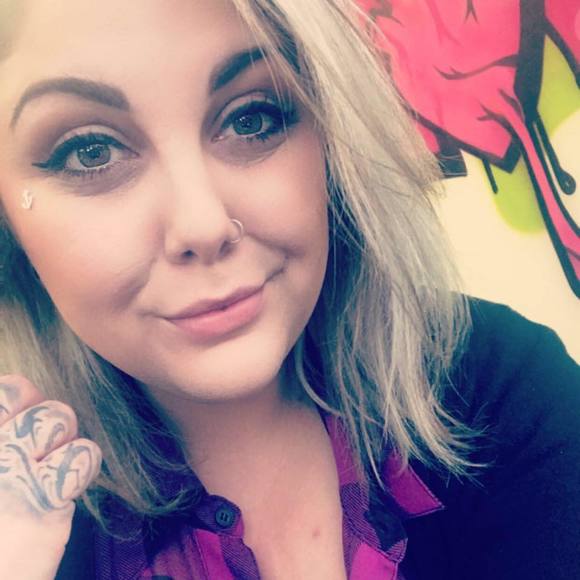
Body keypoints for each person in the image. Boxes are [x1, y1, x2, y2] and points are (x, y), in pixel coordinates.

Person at [0, 1, 578, 578]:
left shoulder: (500, 388)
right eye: (90, 152)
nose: (203, 224)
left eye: (251, 118)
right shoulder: (24, 530)